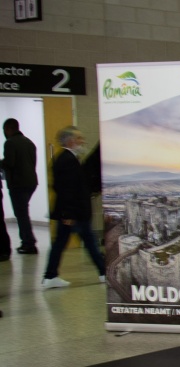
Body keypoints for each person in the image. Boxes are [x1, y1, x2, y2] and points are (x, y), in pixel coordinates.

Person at [41, 127, 106, 289]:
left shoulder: (67, 158)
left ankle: (50, 276)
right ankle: (103, 273)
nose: (82, 141)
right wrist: (68, 214)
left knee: (63, 244)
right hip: (74, 213)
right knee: (90, 243)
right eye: (79, 138)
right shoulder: (67, 160)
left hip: (73, 212)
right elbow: (66, 189)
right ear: (70, 141)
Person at [2, 118, 39, 255]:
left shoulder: (10, 143)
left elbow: (9, 163)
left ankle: (29, 244)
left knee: (21, 214)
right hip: (31, 182)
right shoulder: (29, 142)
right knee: (23, 212)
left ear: (8, 129)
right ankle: (28, 242)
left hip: (18, 183)